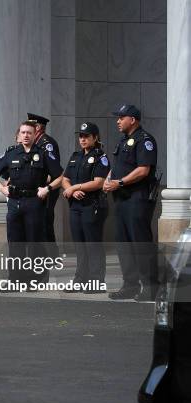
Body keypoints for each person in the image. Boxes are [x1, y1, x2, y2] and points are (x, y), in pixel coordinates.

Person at [0, 121, 63, 287]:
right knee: (15, 243)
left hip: (34, 202)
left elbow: (60, 176)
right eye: (23, 132)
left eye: (29, 132)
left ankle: (34, 280)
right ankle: (15, 280)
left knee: (34, 243)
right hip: (15, 203)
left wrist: (47, 189)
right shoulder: (12, 153)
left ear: (35, 134)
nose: (26, 135)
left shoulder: (43, 154)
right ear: (19, 135)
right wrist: (1, 188)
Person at [104, 104, 159, 301]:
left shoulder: (145, 140)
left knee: (140, 244)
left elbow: (143, 170)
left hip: (138, 199)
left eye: (121, 117)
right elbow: (118, 166)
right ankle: (130, 285)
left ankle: (151, 287)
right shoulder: (123, 141)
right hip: (121, 200)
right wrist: (109, 179)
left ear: (132, 120)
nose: (118, 121)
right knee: (123, 244)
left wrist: (119, 183)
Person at [61, 122, 109, 293]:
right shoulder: (76, 156)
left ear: (95, 138)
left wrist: (76, 187)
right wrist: (70, 190)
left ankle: (96, 282)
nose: (82, 139)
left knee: (92, 244)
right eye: (80, 136)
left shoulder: (100, 157)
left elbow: (99, 182)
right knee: (80, 245)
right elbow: (64, 178)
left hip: (92, 205)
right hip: (76, 206)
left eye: (86, 136)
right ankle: (80, 280)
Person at [27, 113, 61, 249]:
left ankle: (51, 256)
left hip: (48, 187)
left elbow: (54, 170)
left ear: (38, 128)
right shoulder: (35, 142)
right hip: (37, 187)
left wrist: (46, 185)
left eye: (31, 127)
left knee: (46, 219)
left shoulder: (47, 143)